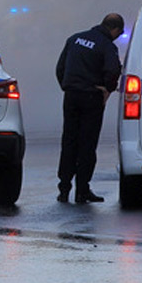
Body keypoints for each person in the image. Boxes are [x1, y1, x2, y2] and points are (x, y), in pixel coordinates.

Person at [55, 12, 124, 204]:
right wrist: (107, 89)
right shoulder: (106, 45)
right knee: (87, 144)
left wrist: (68, 86)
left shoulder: (74, 39)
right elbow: (113, 70)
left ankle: (64, 188)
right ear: (115, 29)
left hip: (71, 96)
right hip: (91, 98)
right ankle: (82, 190)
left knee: (69, 141)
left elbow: (60, 68)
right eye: (119, 33)